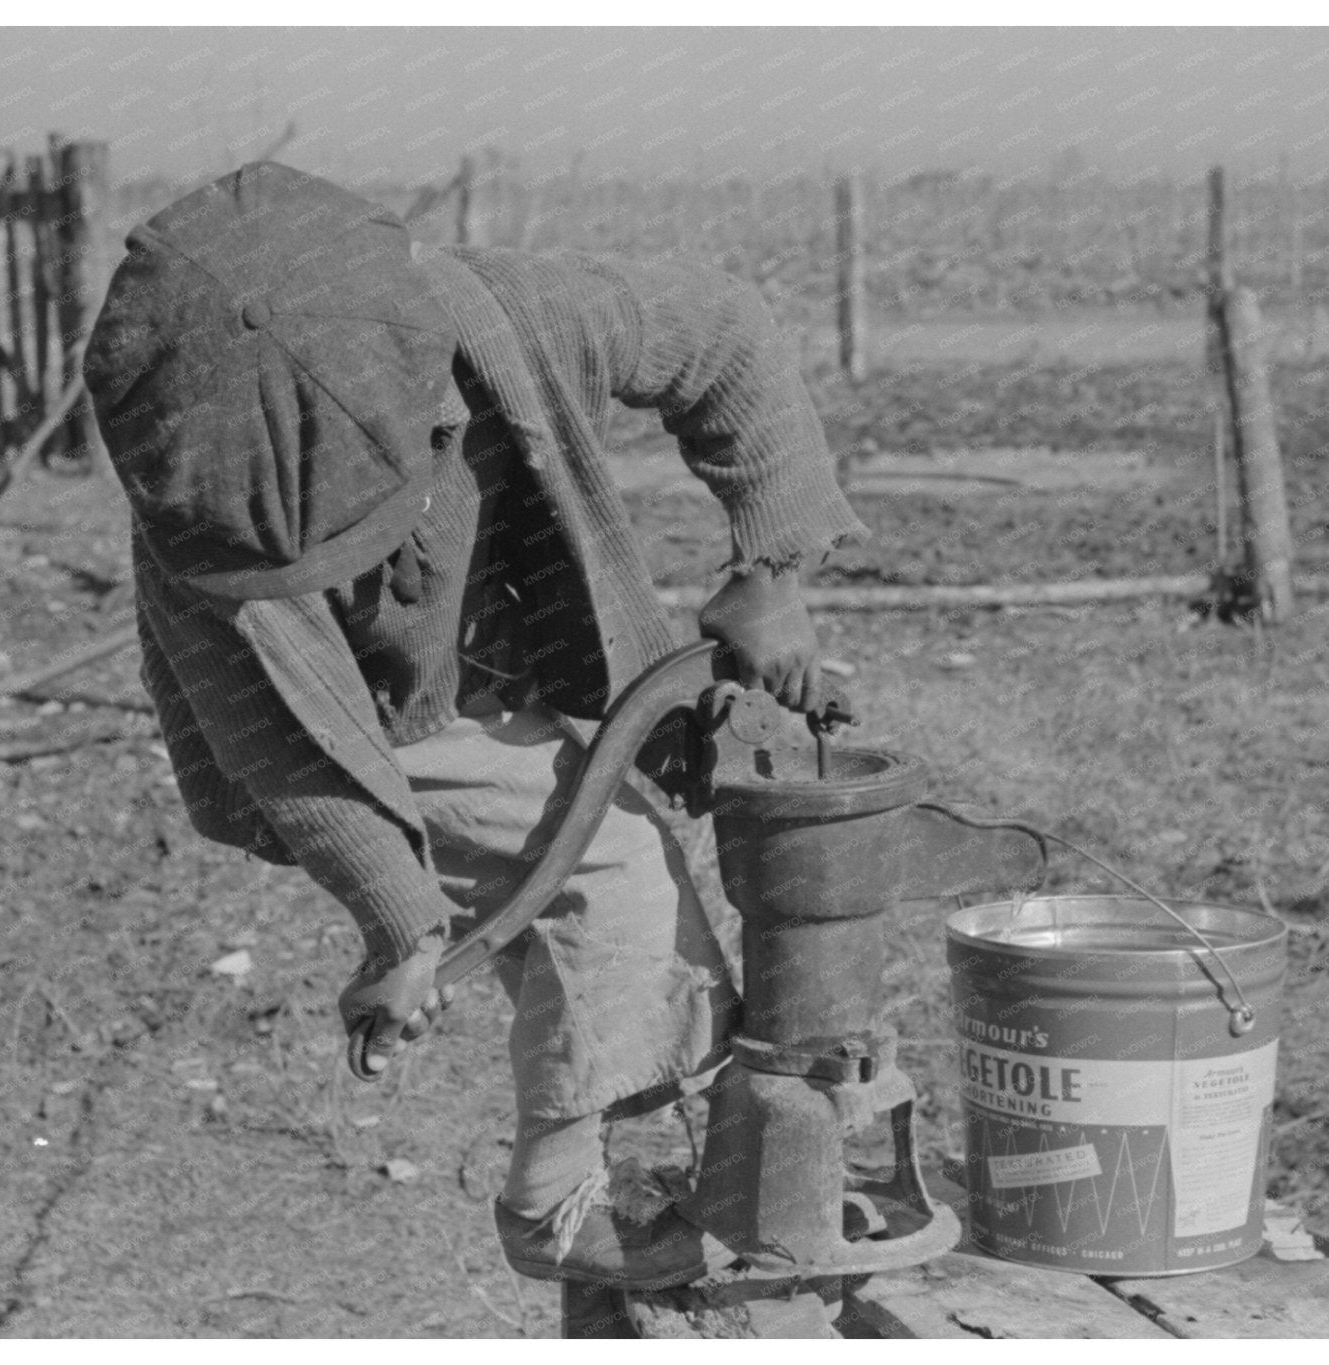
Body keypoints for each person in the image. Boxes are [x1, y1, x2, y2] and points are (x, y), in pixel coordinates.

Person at [84, 162, 866, 1289]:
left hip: (513, 668)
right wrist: (400, 924)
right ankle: (557, 1205)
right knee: (617, 877)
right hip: (374, 722)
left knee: (596, 919)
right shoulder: (204, 506)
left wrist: (772, 571)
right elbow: (286, 743)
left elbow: (726, 334)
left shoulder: (522, 316)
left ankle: (657, 1150)